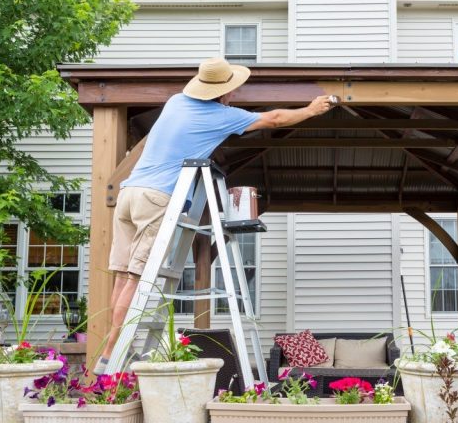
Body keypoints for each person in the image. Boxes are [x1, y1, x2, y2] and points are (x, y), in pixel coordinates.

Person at [94, 57, 334, 374]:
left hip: (129, 192)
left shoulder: (175, 102)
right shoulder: (220, 116)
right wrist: (311, 110)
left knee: (123, 275)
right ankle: (113, 352)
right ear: (224, 92)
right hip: (156, 196)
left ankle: (109, 351)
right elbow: (273, 119)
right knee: (138, 278)